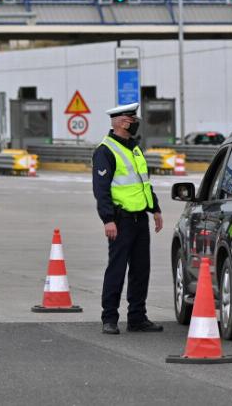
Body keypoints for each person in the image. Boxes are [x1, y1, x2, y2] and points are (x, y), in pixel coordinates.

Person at [92, 103, 164, 335]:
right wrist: (108, 219)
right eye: (133, 119)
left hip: (139, 219)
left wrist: (155, 209)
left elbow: (143, 182)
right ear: (123, 121)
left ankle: (137, 318)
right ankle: (109, 318)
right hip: (120, 220)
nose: (135, 123)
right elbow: (101, 190)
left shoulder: (134, 148)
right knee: (117, 269)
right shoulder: (105, 150)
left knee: (141, 270)